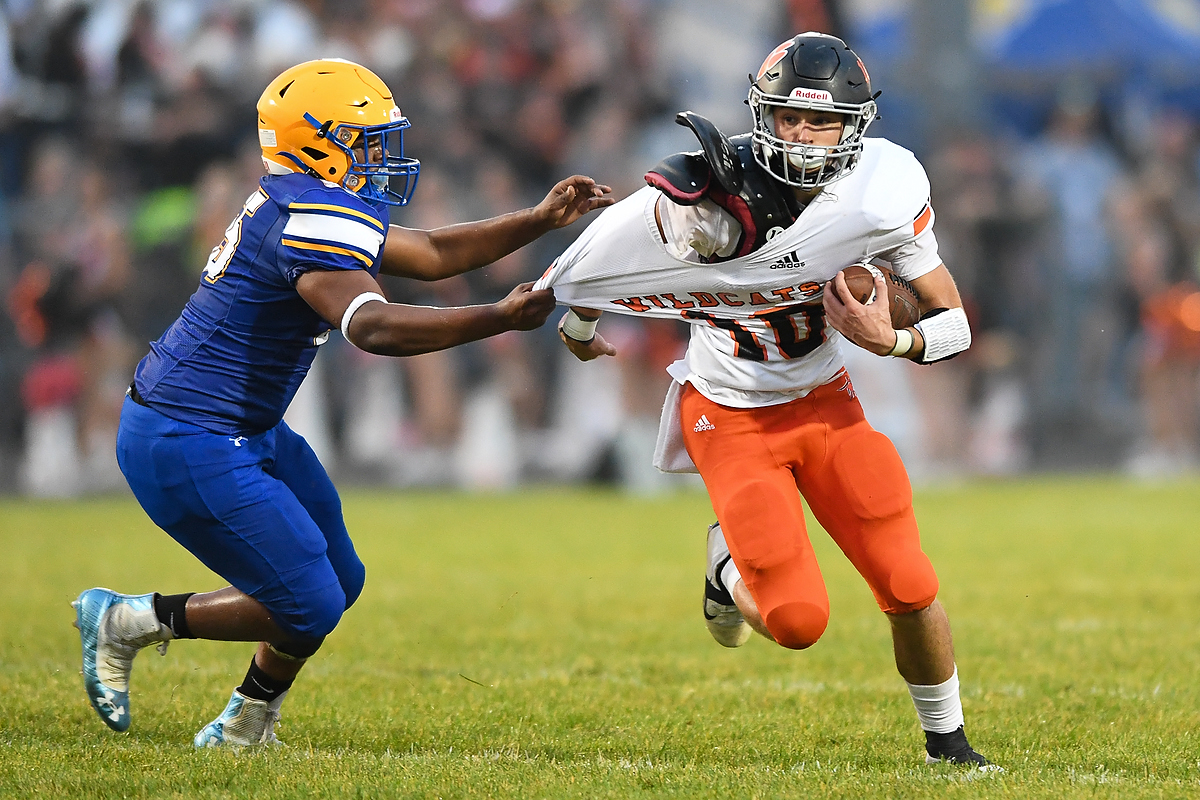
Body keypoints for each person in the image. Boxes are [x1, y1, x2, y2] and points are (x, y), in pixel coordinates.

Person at [71, 58, 612, 747]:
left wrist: (537, 220)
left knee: (337, 579)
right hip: (186, 435)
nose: (382, 155)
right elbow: (373, 327)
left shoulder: (306, 198)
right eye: (366, 139)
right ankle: (128, 621)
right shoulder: (307, 216)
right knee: (310, 600)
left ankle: (246, 720)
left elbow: (432, 250)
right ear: (318, 143)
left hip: (240, 427)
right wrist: (497, 318)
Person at [538, 33, 994, 768]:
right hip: (729, 415)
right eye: (790, 118)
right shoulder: (704, 201)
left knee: (910, 582)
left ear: (854, 127)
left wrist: (894, 341)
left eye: (822, 122)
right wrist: (580, 325)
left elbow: (956, 325)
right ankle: (726, 566)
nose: (803, 135)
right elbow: (598, 264)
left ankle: (950, 746)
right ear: (763, 115)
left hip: (824, 400)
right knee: (797, 622)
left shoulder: (881, 193)